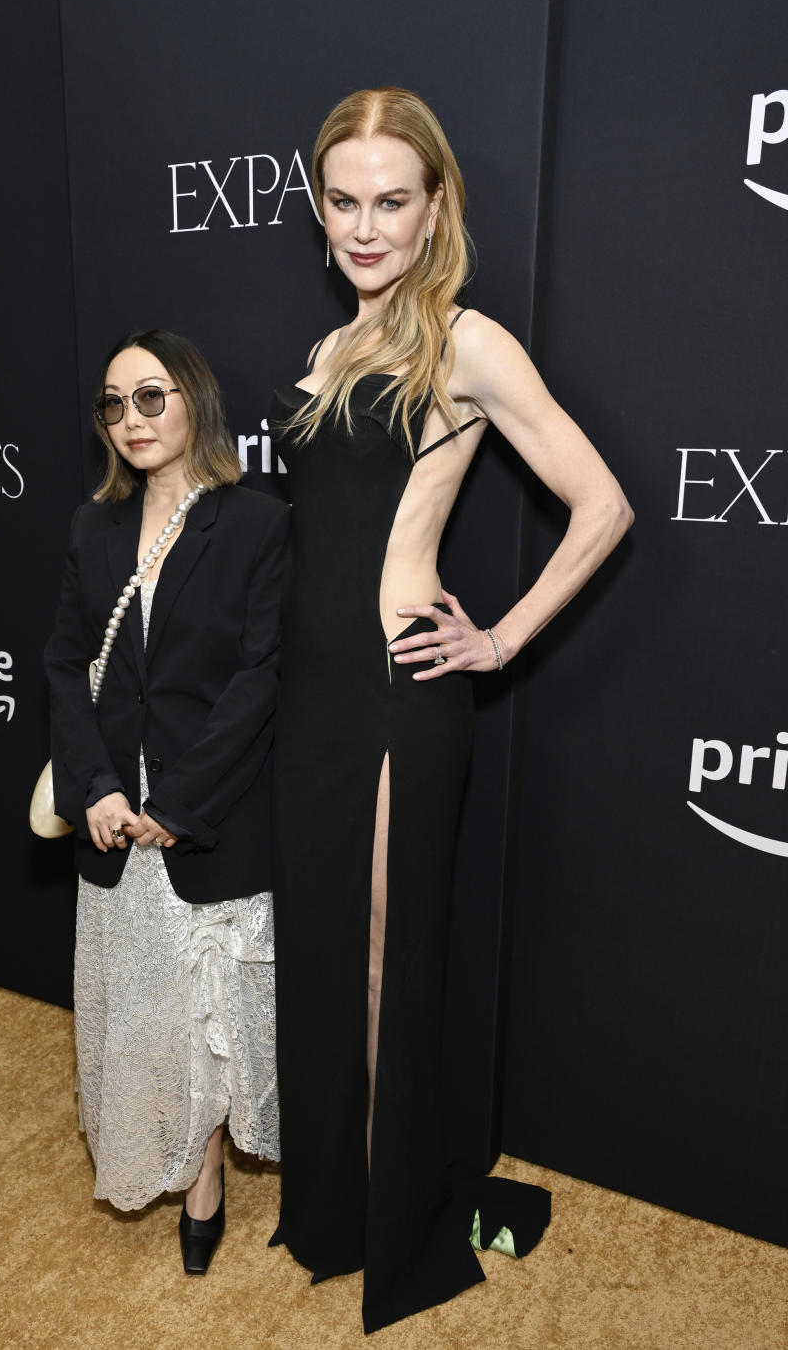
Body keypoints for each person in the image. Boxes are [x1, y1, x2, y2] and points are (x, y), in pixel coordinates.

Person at [266, 88, 633, 1333]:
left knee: (383, 961)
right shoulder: (323, 352)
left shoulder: (463, 342)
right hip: (309, 701)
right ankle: (338, 1199)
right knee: (323, 958)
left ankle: (398, 1217)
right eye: (344, 200)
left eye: (391, 202)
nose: (365, 227)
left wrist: (502, 636)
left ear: (433, 211)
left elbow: (603, 504)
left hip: (392, 696)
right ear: (320, 207)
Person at [45, 328, 288, 1275]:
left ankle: (207, 1177)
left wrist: (178, 801)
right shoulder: (91, 527)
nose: (132, 418)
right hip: (113, 816)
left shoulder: (259, 523)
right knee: (144, 1015)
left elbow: (259, 678)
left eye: (151, 396)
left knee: (211, 1013)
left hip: (209, 814)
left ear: (195, 402)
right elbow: (67, 666)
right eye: (114, 402)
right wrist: (97, 787)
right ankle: (176, 1152)